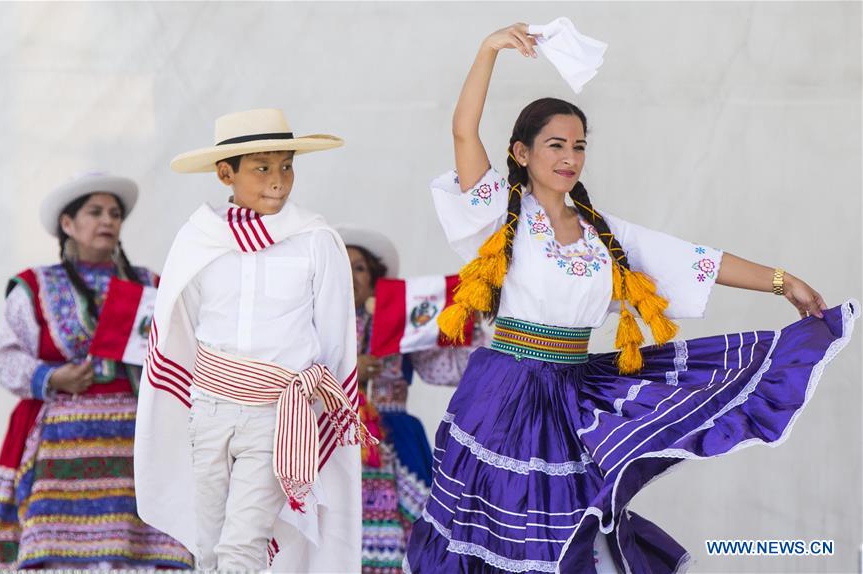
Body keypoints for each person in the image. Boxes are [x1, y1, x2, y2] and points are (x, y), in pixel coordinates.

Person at [403, 23, 859, 573]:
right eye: (555, 145)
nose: (570, 157)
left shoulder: (604, 234)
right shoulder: (501, 215)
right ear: (521, 152)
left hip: (572, 393)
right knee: (507, 536)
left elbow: (694, 260)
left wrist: (784, 282)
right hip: (507, 393)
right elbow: (463, 132)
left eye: (579, 146)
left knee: (574, 532)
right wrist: (488, 50)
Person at [133, 108, 375, 572]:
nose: (278, 181)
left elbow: (334, 337)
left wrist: (316, 413)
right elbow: (178, 327)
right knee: (208, 548)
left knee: (241, 548)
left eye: (286, 166)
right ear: (226, 173)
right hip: (207, 411)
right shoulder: (199, 239)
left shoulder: (315, 239)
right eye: (262, 168)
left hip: (277, 414)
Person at [0, 172, 193, 570]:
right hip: (63, 447)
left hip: (136, 444)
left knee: (139, 551)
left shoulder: (150, 285)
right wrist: (51, 377)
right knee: (59, 553)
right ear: (68, 223)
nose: (108, 220)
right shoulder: (35, 286)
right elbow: (6, 359)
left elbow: (180, 350)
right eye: (95, 212)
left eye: (114, 214)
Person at [337, 226, 484, 572]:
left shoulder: (400, 322)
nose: (351, 275)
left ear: (375, 279)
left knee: (414, 530)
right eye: (342, 266)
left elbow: (448, 371)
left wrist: (467, 324)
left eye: (360, 268)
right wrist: (350, 372)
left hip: (396, 441)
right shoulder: (314, 326)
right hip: (333, 439)